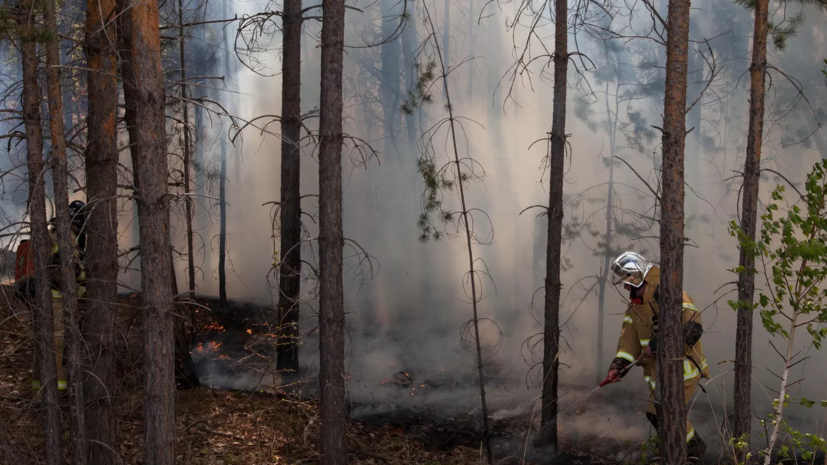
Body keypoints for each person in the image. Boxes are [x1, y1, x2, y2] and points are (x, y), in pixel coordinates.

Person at [602, 251, 709, 462]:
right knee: (658, 413)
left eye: (626, 281)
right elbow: (628, 342)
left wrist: (659, 346)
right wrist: (618, 364)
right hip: (658, 373)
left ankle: (691, 450)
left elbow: (693, 328)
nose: (624, 287)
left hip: (683, 370)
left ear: (637, 277)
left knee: (665, 413)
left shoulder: (669, 294)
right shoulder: (635, 307)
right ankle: (675, 451)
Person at [32, 200, 87, 394]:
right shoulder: (68, 237)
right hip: (56, 299)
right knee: (57, 345)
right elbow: (75, 272)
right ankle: (54, 394)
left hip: (40, 298)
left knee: (42, 345)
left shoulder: (51, 233)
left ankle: (39, 394)